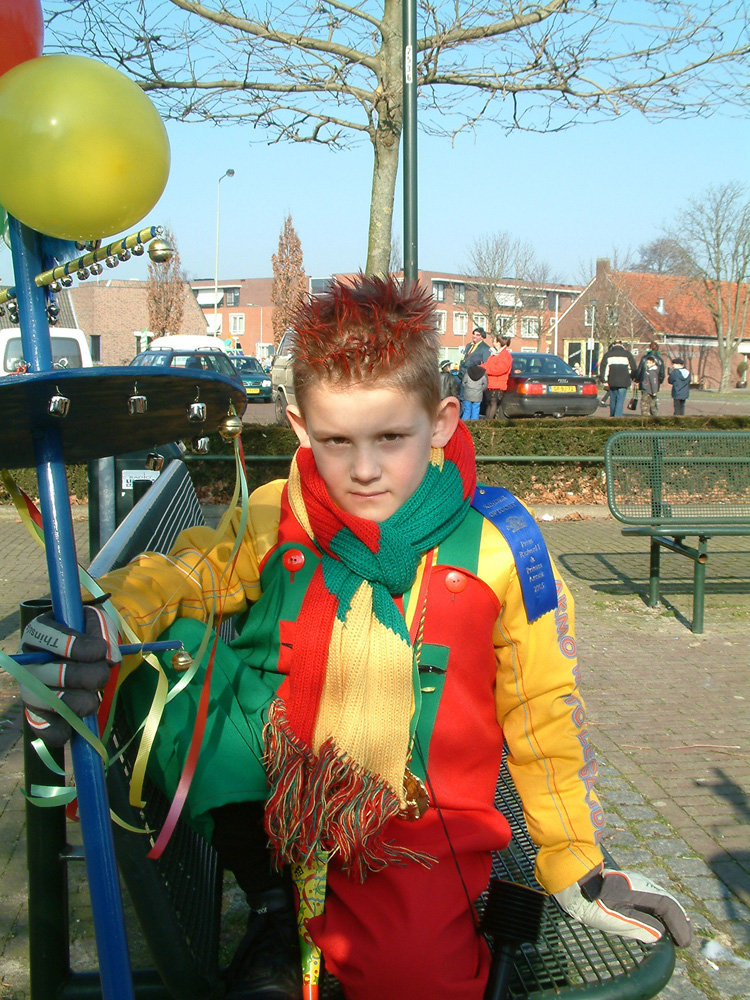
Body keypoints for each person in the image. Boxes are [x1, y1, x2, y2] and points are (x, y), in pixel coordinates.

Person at [18, 275, 691, 1000]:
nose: (364, 470)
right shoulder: (281, 512)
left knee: (417, 981)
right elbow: (191, 576)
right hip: (279, 784)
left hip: (416, 815)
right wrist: (102, 618)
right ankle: (277, 903)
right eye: (337, 441)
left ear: (441, 422)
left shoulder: (501, 548)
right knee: (163, 657)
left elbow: (543, 711)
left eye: (391, 438)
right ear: (301, 428)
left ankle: (345, 912)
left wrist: (576, 864)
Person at [599, 339, 637, 417]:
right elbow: (633, 368)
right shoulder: (628, 354)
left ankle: (612, 415)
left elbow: (603, 368)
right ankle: (617, 417)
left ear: (613, 345)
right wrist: (633, 377)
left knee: (613, 399)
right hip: (624, 381)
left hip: (612, 381)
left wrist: (604, 380)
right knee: (620, 400)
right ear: (622, 345)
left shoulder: (608, 355)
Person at [480, 335, 512, 419]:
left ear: (499, 343)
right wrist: (483, 366)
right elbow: (488, 364)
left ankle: (489, 421)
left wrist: (485, 369)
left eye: (494, 341)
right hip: (490, 384)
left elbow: (500, 369)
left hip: (498, 385)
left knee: (493, 402)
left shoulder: (505, 355)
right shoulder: (494, 354)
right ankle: (487, 421)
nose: (492, 342)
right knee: (489, 403)